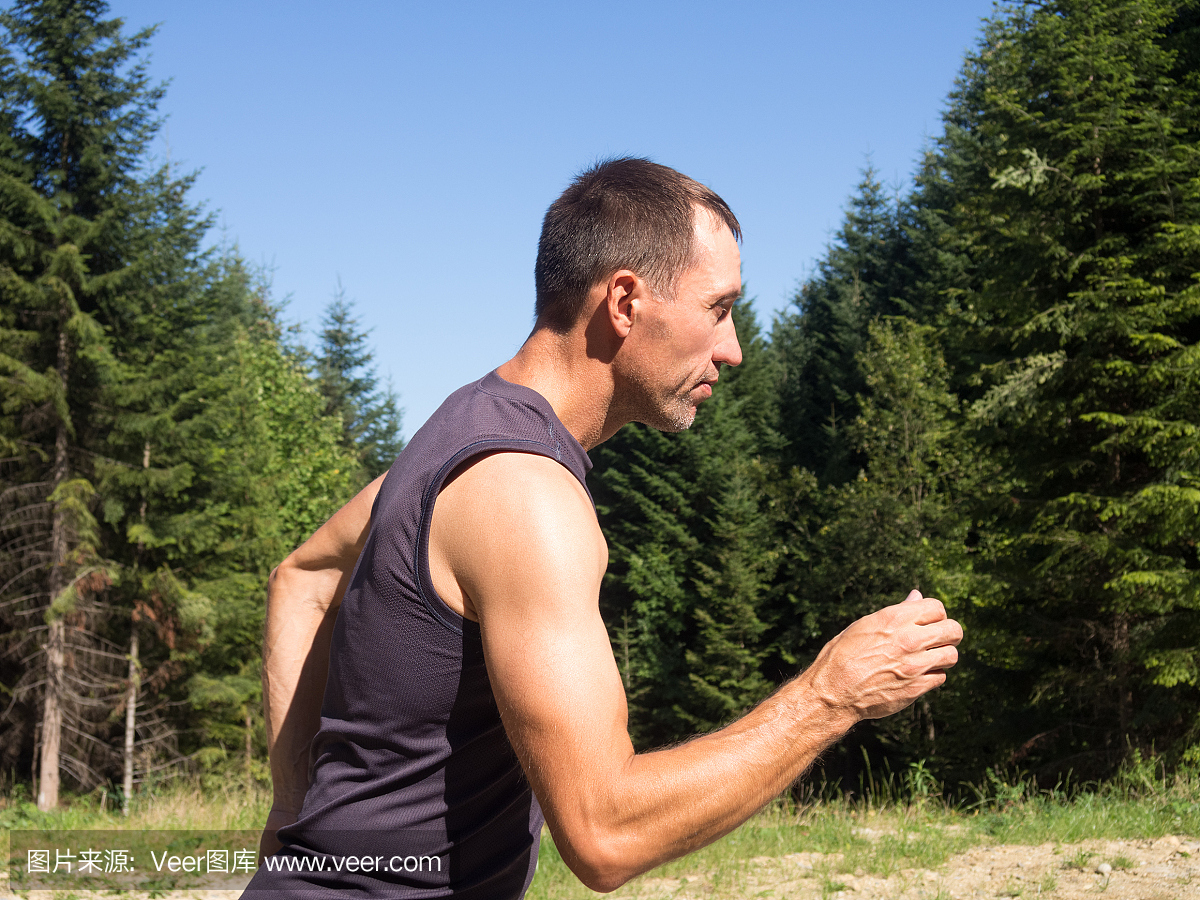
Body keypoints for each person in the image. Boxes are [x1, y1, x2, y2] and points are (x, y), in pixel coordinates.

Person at [243, 157, 963, 898]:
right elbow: (605, 834)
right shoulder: (524, 494)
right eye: (719, 308)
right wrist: (828, 695)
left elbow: (303, 578)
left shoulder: (463, 429)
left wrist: (292, 804)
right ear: (624, 300)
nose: (734, 347)